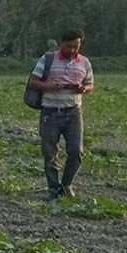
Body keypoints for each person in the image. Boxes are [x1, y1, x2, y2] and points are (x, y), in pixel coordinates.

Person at [27, 30, 94, 200]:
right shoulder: (47, 59)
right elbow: (33, 82)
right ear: (61, 43)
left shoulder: (84, 62)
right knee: (50, 153)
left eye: (76, 46)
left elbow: (90, 84)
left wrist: (83, 88)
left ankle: (66, 184)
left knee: (76, 152)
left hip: (73, 113)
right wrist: (49, 85)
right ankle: (53, 189)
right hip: (50, 112)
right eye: (68, 46)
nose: (72, 49)